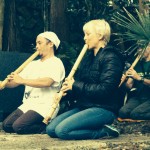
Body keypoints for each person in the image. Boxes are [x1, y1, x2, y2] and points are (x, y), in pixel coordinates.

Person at [46, 19, 124, 140]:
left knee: (62, 131)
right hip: (85, 105)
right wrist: (65, 94)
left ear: (100, 36)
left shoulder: (111, 58)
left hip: (104, 108)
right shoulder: (88, 58)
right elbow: (79, 86)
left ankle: (104, 132)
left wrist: (75, 85)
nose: (84, 38)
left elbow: (105, 90)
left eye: (88, 34)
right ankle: (91, 127)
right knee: (51, 129)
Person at [1, 31, 65, 134]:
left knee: (19, 127)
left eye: (39, 43)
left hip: (45, 105)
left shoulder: (56, 63)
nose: (37, 46)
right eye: (36, 43)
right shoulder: (33, 64)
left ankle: (47, 127)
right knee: (7, 125)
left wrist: (22, 80)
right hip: (29, 104)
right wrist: (4, 83)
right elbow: (16, 82)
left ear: (50, 44)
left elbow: (47, 82)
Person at [119, 44, 150, 120]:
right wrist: (125, 81)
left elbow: (138, 78)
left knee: (136, 114)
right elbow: (129, 86)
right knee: (123, 112)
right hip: (139, 97)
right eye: (138, 48)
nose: (139, 50)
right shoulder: (137, 64)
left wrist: (139, 78)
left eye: (142, 47)